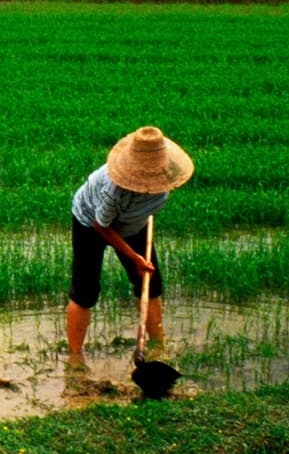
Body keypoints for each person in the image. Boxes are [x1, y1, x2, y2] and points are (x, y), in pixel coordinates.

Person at [66, 125, 195, 356]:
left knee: (150, 283)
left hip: (133, 223)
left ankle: (157, 349)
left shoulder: (165, 178)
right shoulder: (114, 190)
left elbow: (147, 208)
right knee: (85, 292)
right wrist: (135, 257)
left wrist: (139, 249)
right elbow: (101, 226)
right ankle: (75, 358)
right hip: (91, 223)